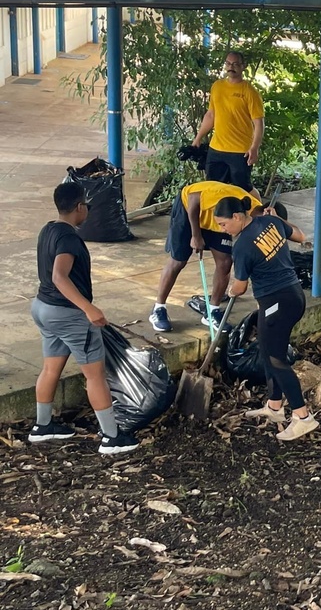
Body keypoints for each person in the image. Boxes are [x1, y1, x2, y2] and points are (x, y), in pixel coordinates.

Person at [28, 182, 139, 455]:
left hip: (43, 308)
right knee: (95, 376)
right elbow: (59, 276)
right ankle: (111, 438)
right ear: (79, 207)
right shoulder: (68, 239)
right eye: (86, 205)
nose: (87, 209)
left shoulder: (48, 229)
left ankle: (43, 427)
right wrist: (88, 308)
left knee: (51, 368)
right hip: (68, 315)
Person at [214, 195, 319, 441]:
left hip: (277, 302)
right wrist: (277, 218)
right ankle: (274, 406)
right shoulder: (269, 223)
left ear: (238, 217)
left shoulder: (242, 246)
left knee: (276, 360)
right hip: (292, 295)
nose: (222, 229)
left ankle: (303, 417)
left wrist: (229, 290)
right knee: (268, 350)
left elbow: (239, 288)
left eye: (223, 224)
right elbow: (301, 236)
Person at [148, 181, 266, 333]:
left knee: (225, 261)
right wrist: (196, 235)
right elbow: (193, 200)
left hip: (217, 220)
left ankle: (212, 312)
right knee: (178, 261)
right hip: (188, 209)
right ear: (238, 217)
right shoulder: (221, 197)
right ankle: (158, 309)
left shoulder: (255, 211)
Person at [192, 51, 265, 197]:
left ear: (243, 66)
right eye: (228, 63)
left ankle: (257, 215)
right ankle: (218, 218)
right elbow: (211, 114)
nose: (231, 67)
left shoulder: (250, 92)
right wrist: (198, 138)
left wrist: (254, 148)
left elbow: (259, 123)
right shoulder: (217, 86)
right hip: (216, 148)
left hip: (240, 150)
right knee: (213, 187)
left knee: (243, 189)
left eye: (236, 64)